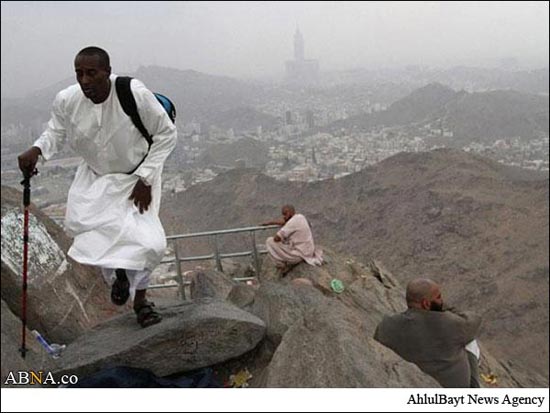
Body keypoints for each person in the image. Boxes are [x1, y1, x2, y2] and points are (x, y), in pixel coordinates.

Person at [17, 46, 177, 328]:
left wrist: (146, 178)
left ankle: (140, 300)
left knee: (149, 242)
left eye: (92, 73)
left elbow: (166, 134)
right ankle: (120, 278)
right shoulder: (67, 100)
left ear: (107, 71)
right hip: (96, 178)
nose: (85, 80)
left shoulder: (133, 93)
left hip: (137, 177)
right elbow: (56, 131)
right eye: (79, 73)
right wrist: (37, 149)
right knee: (98, 239)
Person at [374, 278, 482, 387]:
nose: (441, 300)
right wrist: (442, 307)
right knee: (470, 342)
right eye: (438, 297)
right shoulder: (449, 323)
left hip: (411, 382)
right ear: (426, 303)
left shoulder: (387, 325)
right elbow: (475, 320)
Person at [262, 204, 323, 275]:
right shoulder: (300, 217)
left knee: (269, 241)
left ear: (289, 212)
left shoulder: (292, 222)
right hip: (308, 252)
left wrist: (282, 238)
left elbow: (277, 238)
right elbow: (285, 222)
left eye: (285, 214)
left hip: (299, 255)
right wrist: (270, 223)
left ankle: (281, 264)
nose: (284, 217)